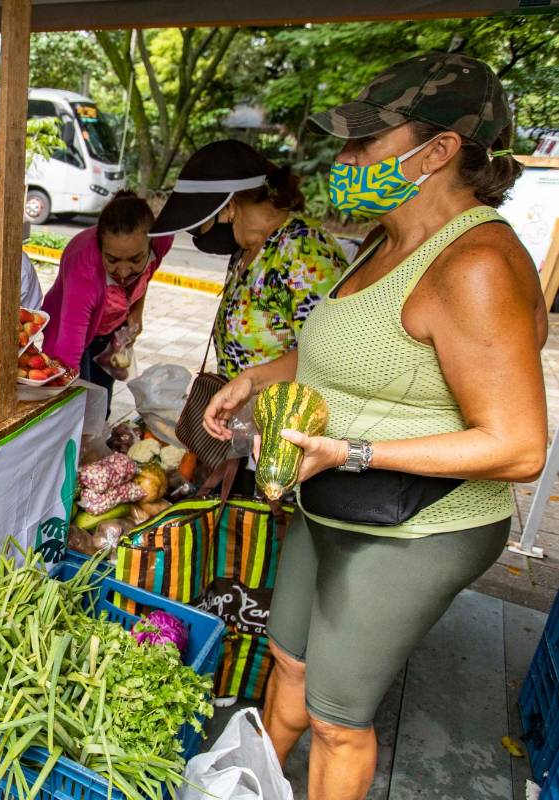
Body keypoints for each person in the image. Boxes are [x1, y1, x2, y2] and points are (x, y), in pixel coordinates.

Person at [203, 53, 547, 800]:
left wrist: (351, 451)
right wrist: (255, 377)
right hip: (331, 495)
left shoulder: (477, 263)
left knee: (336, 714)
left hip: (417, 526)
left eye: (365, 142)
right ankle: (253, 782)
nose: (346, 159)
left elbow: (518, 446)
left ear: (436, 151)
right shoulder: (383, 238)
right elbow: (344, 346)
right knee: (288, 661)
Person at [151, 140, 348, 380]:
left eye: (197, 226)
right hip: (240, 413)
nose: (197, 235)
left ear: (227, 206)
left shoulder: (304, 252)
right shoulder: (245, 251)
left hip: (285, 413)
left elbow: (328, 353)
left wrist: (250, 383)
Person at [41, 191, 171, 410]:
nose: (123, 271)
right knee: (78, 406)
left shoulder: (162, 240)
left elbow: (146, 276)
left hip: (108, 330)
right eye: (112, 260)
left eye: (135, 259)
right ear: (100, 248)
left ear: (150, 247)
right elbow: (68, 355)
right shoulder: (84, 268)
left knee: (101, 407)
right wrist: (63, 416)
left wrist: (136, 309)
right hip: (68, 331)